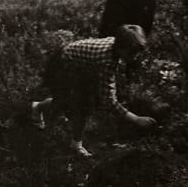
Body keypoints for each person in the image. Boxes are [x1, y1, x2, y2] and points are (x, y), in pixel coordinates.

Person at [30, 25, 156, 157]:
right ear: (120, 47)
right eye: (131, 53)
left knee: (78, 104)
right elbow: (110, 101)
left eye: (137, 53)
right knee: (75, 106)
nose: (135, 57)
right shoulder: (106, 61)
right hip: (64, 65)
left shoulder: (115, 44)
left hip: (80, 66)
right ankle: (73, 143)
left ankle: (40, 108)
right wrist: (135, 119)